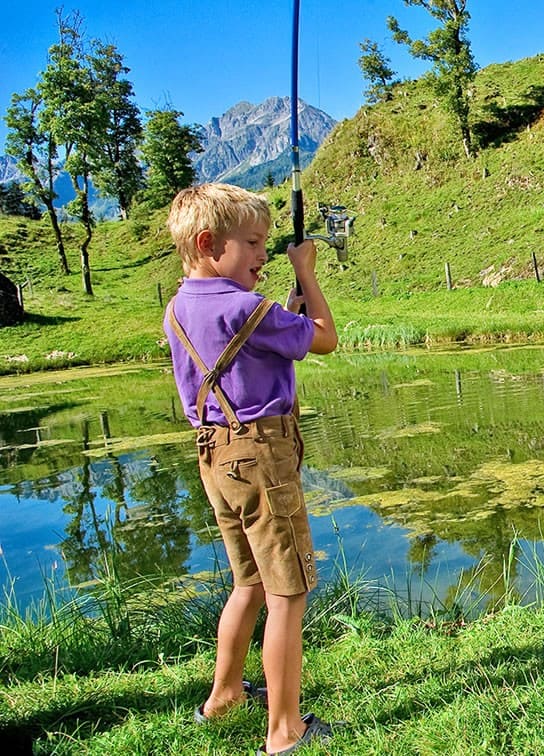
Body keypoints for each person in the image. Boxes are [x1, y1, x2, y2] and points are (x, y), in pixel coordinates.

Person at [163, 183, 339, 753]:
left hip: (215, 455)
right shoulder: (245, 307)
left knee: (250, 582)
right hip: (262, 456)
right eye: (254, 243)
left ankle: (224, 694)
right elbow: (324, 339)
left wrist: (277, 308)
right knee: (288, 590)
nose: (264, 254)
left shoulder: (179, 307)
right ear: (209, 242)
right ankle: (285, 730)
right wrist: (306, 272)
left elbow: (247, 348)